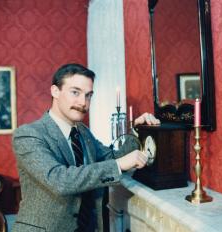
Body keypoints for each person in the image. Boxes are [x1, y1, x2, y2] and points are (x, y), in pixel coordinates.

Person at [12, 63, 160, 232]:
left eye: (88, 95)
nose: (83, 102)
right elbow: (59, 180)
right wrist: (118, 166)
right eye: (75, 92)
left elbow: (111, 156)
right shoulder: (28, 134)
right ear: (55, 91)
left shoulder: (82, 131)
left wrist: (138, 131)